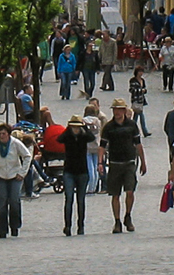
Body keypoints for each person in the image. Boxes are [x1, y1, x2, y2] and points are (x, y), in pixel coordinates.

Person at [100, 99, 148, 233]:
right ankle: (117, 221)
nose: (117, 112)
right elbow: (102, 146)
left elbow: (138, 144)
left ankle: (128, 215)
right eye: (115, 109)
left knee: (130, 191)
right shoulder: (109, 127)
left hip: (129, 162)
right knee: (115, 194)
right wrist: (100, 162)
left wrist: (143, 162)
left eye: (119, 109)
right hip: (114, 163)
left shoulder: (132, 125)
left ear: (124, 111)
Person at [0, 124, 31, 239]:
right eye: (0, 134)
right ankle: (2, 230)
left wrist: (22, 172)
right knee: (2, 203)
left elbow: (27, 156)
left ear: (8, 134)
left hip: (14, 176)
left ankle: (15, 227)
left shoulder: (15, 144)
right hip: (0, 177)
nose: (1, 136)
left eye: (4, 134)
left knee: (15, 201)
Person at [59, 115, 94, 236]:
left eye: (77, 127)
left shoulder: (84, 136)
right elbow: (59, 139)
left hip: (82, 171)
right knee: (69, 199)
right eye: (73, 127)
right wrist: (68, 129)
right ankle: (67, 226)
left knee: (81, 200)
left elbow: (92, 137)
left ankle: (81, 225)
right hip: (69, 171)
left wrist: (85, 128)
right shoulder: (67, 136)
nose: (75, 129)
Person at [83, 98, 104, 193]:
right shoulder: (98, 121)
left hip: (87, 146)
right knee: (96, 166)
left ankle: (90, 187)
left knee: (89, 167)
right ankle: (95, 185)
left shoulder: (83, 121)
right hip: (97, 145)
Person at [128, 67, 151, 136]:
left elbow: (144, 88)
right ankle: (144, 131)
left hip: (141, 100)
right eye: (140, 72)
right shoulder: (133, 80)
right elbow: (131, 90)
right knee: (140, 115)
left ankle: (133, 129)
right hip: (135, 100)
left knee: (136, 116)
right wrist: (141, 90)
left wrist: (144, 91)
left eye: (142, 72)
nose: (141, 73)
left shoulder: (142, 80)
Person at [79, 32, 99, 98]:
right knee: (86, 82)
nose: (91, 47)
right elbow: (80, 61)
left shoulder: (95, 53)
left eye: (91, 46)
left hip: (92, 69)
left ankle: (90, 92)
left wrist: (98, 69)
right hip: (85, 68)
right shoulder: (83, 53)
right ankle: (87, 93)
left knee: (93, 83)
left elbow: (97, 61)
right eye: (90, 46)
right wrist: (78, 69)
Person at [99, 27, 119, 92]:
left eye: (104, 34)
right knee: (108, 73)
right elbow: (100, 50)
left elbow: (115, 51)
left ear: (108, 34)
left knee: (106, 73)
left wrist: (114, 60)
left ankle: (103, 85)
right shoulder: (102, 41)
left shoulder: (113, 42)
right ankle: (111, 86)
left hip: (110, 60)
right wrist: (99, 59)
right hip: (103, 59)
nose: (103, 36)